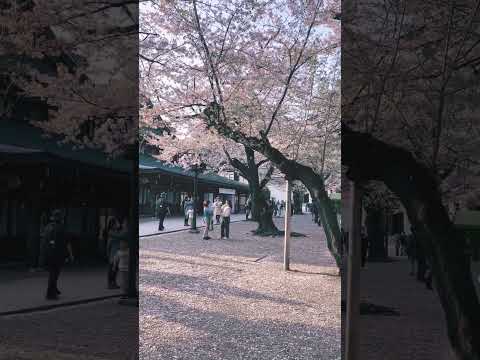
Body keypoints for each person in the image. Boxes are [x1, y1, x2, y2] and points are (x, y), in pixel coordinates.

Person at [44, 209, 74, 300]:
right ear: (60, 217)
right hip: (57, 254)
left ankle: (53, 290)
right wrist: (71, 255)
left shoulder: (48, 227)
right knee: (55, 274)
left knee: (52, 273)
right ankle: (50, 293)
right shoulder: (61, 227)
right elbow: (67, 242)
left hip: (49, 254)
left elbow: (44, 241)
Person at [107, 215, 125, 289]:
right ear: (113, 224)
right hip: (113, 253)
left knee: (115, 269)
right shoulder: (112, 232)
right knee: (112, 269)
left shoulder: (116, 231)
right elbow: (109, 244)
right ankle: (111, 283)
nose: (118, 224)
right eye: (116, 223)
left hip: (116, 252)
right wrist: (107, 253)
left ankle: (113, 283)